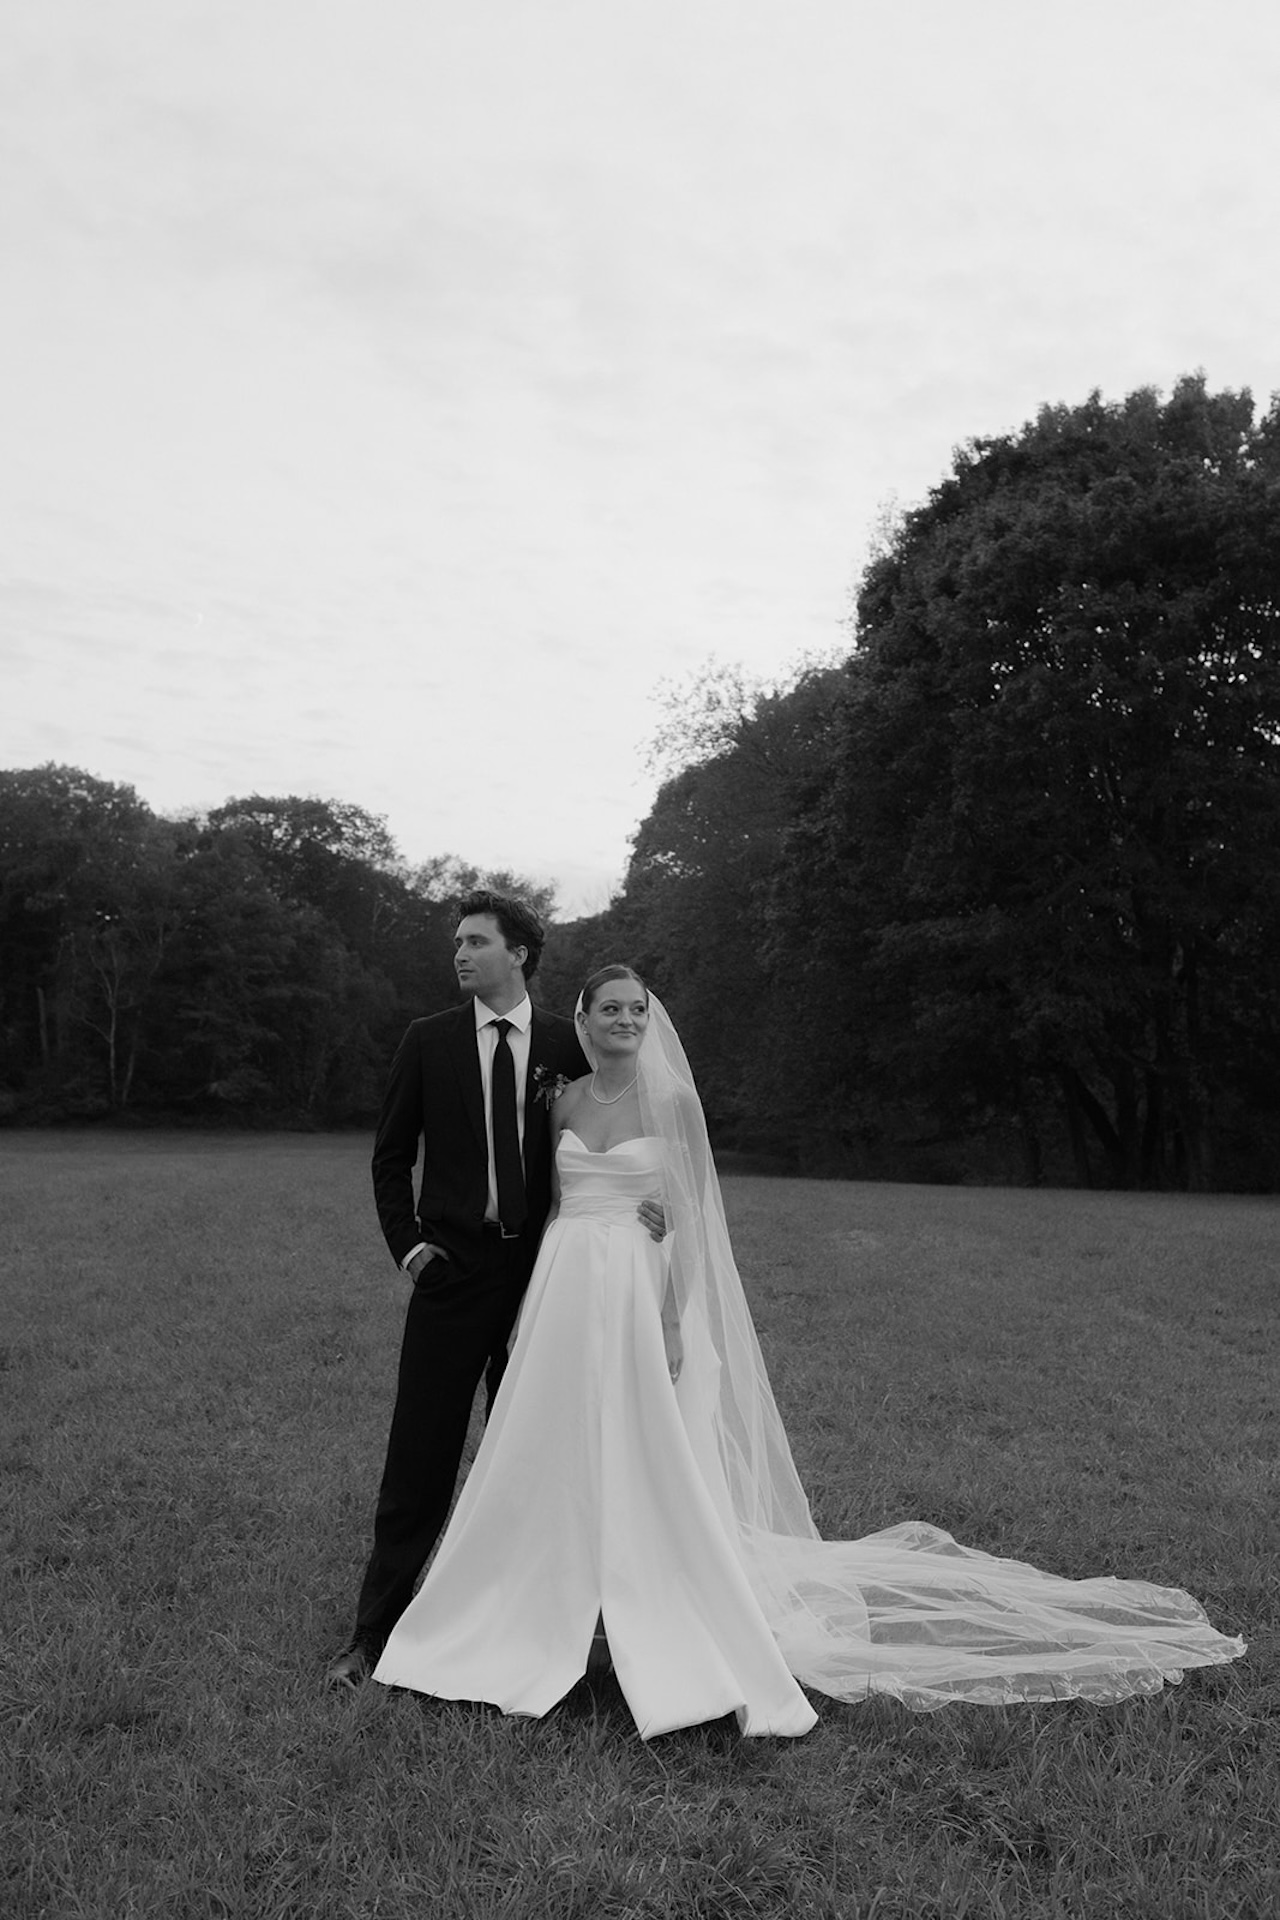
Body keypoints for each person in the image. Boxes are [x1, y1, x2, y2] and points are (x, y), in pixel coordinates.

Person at [371, 966, 1246, 1738]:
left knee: (646, 1448)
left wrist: (675, 1312)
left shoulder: (671, 1103)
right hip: (565, 1288)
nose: (627, 1022)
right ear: (584, 1018)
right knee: (549, 1446)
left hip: (640, 1294)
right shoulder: (559, 1100)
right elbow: (554, 1204)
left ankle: (655, 1606)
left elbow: (693, 1213)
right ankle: (526, 1600)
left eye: (638, 1010)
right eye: (611, 1010)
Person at [326, 896, 659, 1690]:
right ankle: (373, 1635)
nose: (460, 954)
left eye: (476, 941)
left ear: (519, 954)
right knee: (420, 1456)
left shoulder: (563, 1045)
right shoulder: (428, 1040)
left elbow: (616, 1121)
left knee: (549, 1452)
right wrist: (411, 1250)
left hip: (545, 1275)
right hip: (452, 1275)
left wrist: (650, 1199)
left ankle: (551, 1618)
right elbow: (388, 1158)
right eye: (457, 943)